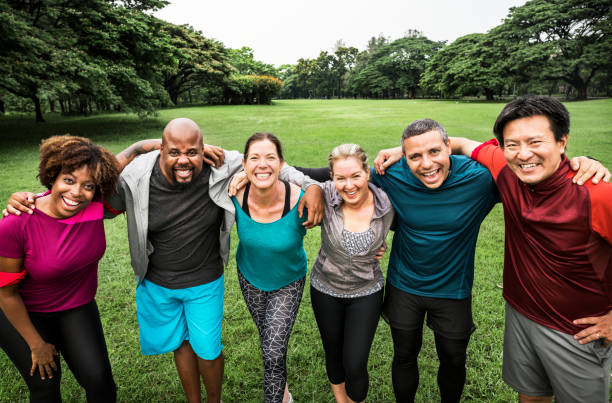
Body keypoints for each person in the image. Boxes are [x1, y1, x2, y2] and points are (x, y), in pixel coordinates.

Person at [3, 119, 323, 403]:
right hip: (157, 283)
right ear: (162, 149)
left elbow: (270, 163)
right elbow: (88, 185)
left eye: (192, 151)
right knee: (180, 345)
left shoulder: (222, 164)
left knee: (207, 349)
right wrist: (32, 197)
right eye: (174, 151)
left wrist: (311, 187)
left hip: (205, 280)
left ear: (203, 149)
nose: (183, 160)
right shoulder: (136, 178)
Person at [369, 118, 608, 402]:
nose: (426, 164)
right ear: (405, 157)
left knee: (454, 360)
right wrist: (306, 184)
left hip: (453, 290)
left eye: (434, 152)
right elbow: (345, 178)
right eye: (415, 156)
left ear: (449, 147)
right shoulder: (390, 173)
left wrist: (584, 162)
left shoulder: (481, 178)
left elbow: (536, 168)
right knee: (404, 354)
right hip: (404, 285)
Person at [450, 95, 612, 403]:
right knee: (531, 396)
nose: (524, 155)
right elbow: (459, 143)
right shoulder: (506, 169)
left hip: (575, 331)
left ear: (562, 142)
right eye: (512, 144)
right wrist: (397, 151)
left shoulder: (598, 194)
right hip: (521, 312)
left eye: (536, 142)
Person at [0, 135, 120, 402]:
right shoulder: (16, 223)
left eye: (88, 186)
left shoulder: (93, 208)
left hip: (76, 305)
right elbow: (7, 294)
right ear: (52, 176)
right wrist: (36, 344)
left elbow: (121, 163)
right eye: (68, 180)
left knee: (99, 381)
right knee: (46, 384)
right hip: (22, 310)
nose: (76, 192)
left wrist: (148, 145)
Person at [231, 132, 313, 403]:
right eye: (254, 158)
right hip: (249, 276)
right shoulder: (234, 194)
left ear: (282, 164)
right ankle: (285, 392)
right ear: (244, 164)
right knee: (269, 342)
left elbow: (345, 199)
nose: (262, 164)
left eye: (270, 158)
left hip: (288, 281)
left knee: (273, 352)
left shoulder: (303, 201)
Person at [310, 144, 394, 403]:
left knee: (355, 362)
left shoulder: (387, 203)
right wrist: (244, 171)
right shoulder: (324, 193)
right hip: (325, 288)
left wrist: (399, 151)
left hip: (366, 291)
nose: (349, 185)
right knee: (333, 352)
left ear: (367, 173)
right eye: (340, 178)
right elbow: (286, 171)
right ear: (331, 178)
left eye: (356, 175)